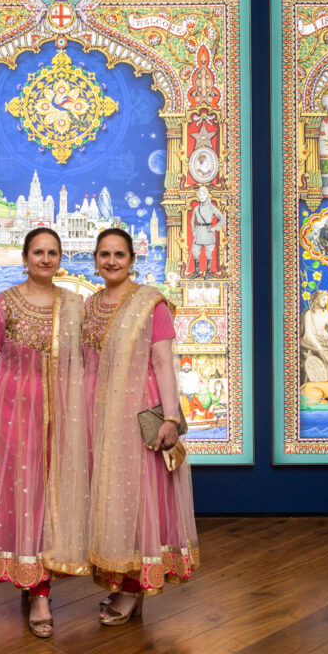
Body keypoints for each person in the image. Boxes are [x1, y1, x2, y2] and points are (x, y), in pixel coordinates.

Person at [0, 228, 90, 638]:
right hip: (11, 410)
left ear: (60, 257)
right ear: (25, 256)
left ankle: (38, 581)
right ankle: (35, 587)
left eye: (52, 253)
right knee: (21, 491)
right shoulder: (4, 303)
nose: (45, 259)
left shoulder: (74, 305)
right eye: (38, 252)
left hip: (61, 412)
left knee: (50, 492)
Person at [82, 228, 199, 625]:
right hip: (100, 415)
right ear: (95, 260)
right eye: (104, 255)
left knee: (138, 499)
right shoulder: (90, 304)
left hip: (137, 413)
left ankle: (133, 591)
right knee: (114, 498)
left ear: (132, 259)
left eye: (119, 254)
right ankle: (122, 579)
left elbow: (164, 362)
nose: (111, 261)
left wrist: (170, 417)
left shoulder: (151, 304)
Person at [188, 186, 225, 279]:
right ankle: (197, 272)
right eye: (200, 194)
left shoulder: (212, 208)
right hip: (199, 232)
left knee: (208, 253)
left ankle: (207, 272)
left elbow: (222, 219)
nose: (201, 196)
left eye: (203, 194)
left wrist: (215, 228)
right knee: (195, 252)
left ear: (207, 195)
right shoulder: (196, 208)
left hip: (208, 233)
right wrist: (194, 231)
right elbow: (192, 221)